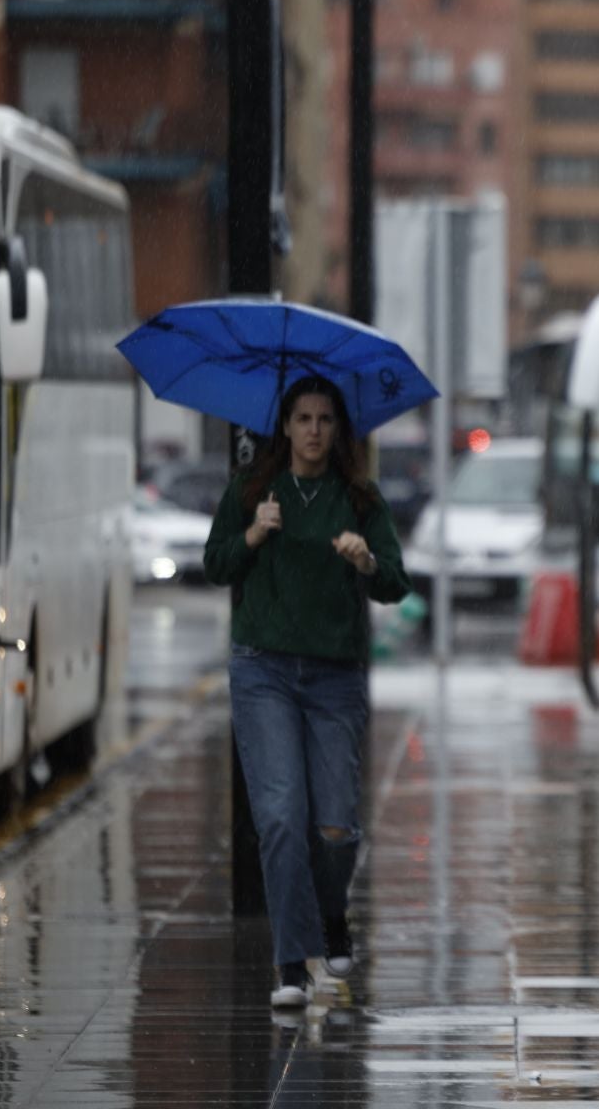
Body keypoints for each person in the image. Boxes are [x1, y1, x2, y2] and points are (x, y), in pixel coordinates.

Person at [203, 375, 411, 1008]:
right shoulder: (251, 491)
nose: (314, 430)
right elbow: (215, 564)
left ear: (337, 429)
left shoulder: (359, 497)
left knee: (336, 826)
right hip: (263, 670)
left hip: (334, 677)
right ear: (285, 427)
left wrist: (366, 562)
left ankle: (331, 915)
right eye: (302, 418)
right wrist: (255, 533)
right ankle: (291, 962)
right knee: (281, 818)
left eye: (324, 419)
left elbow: (397, 582)